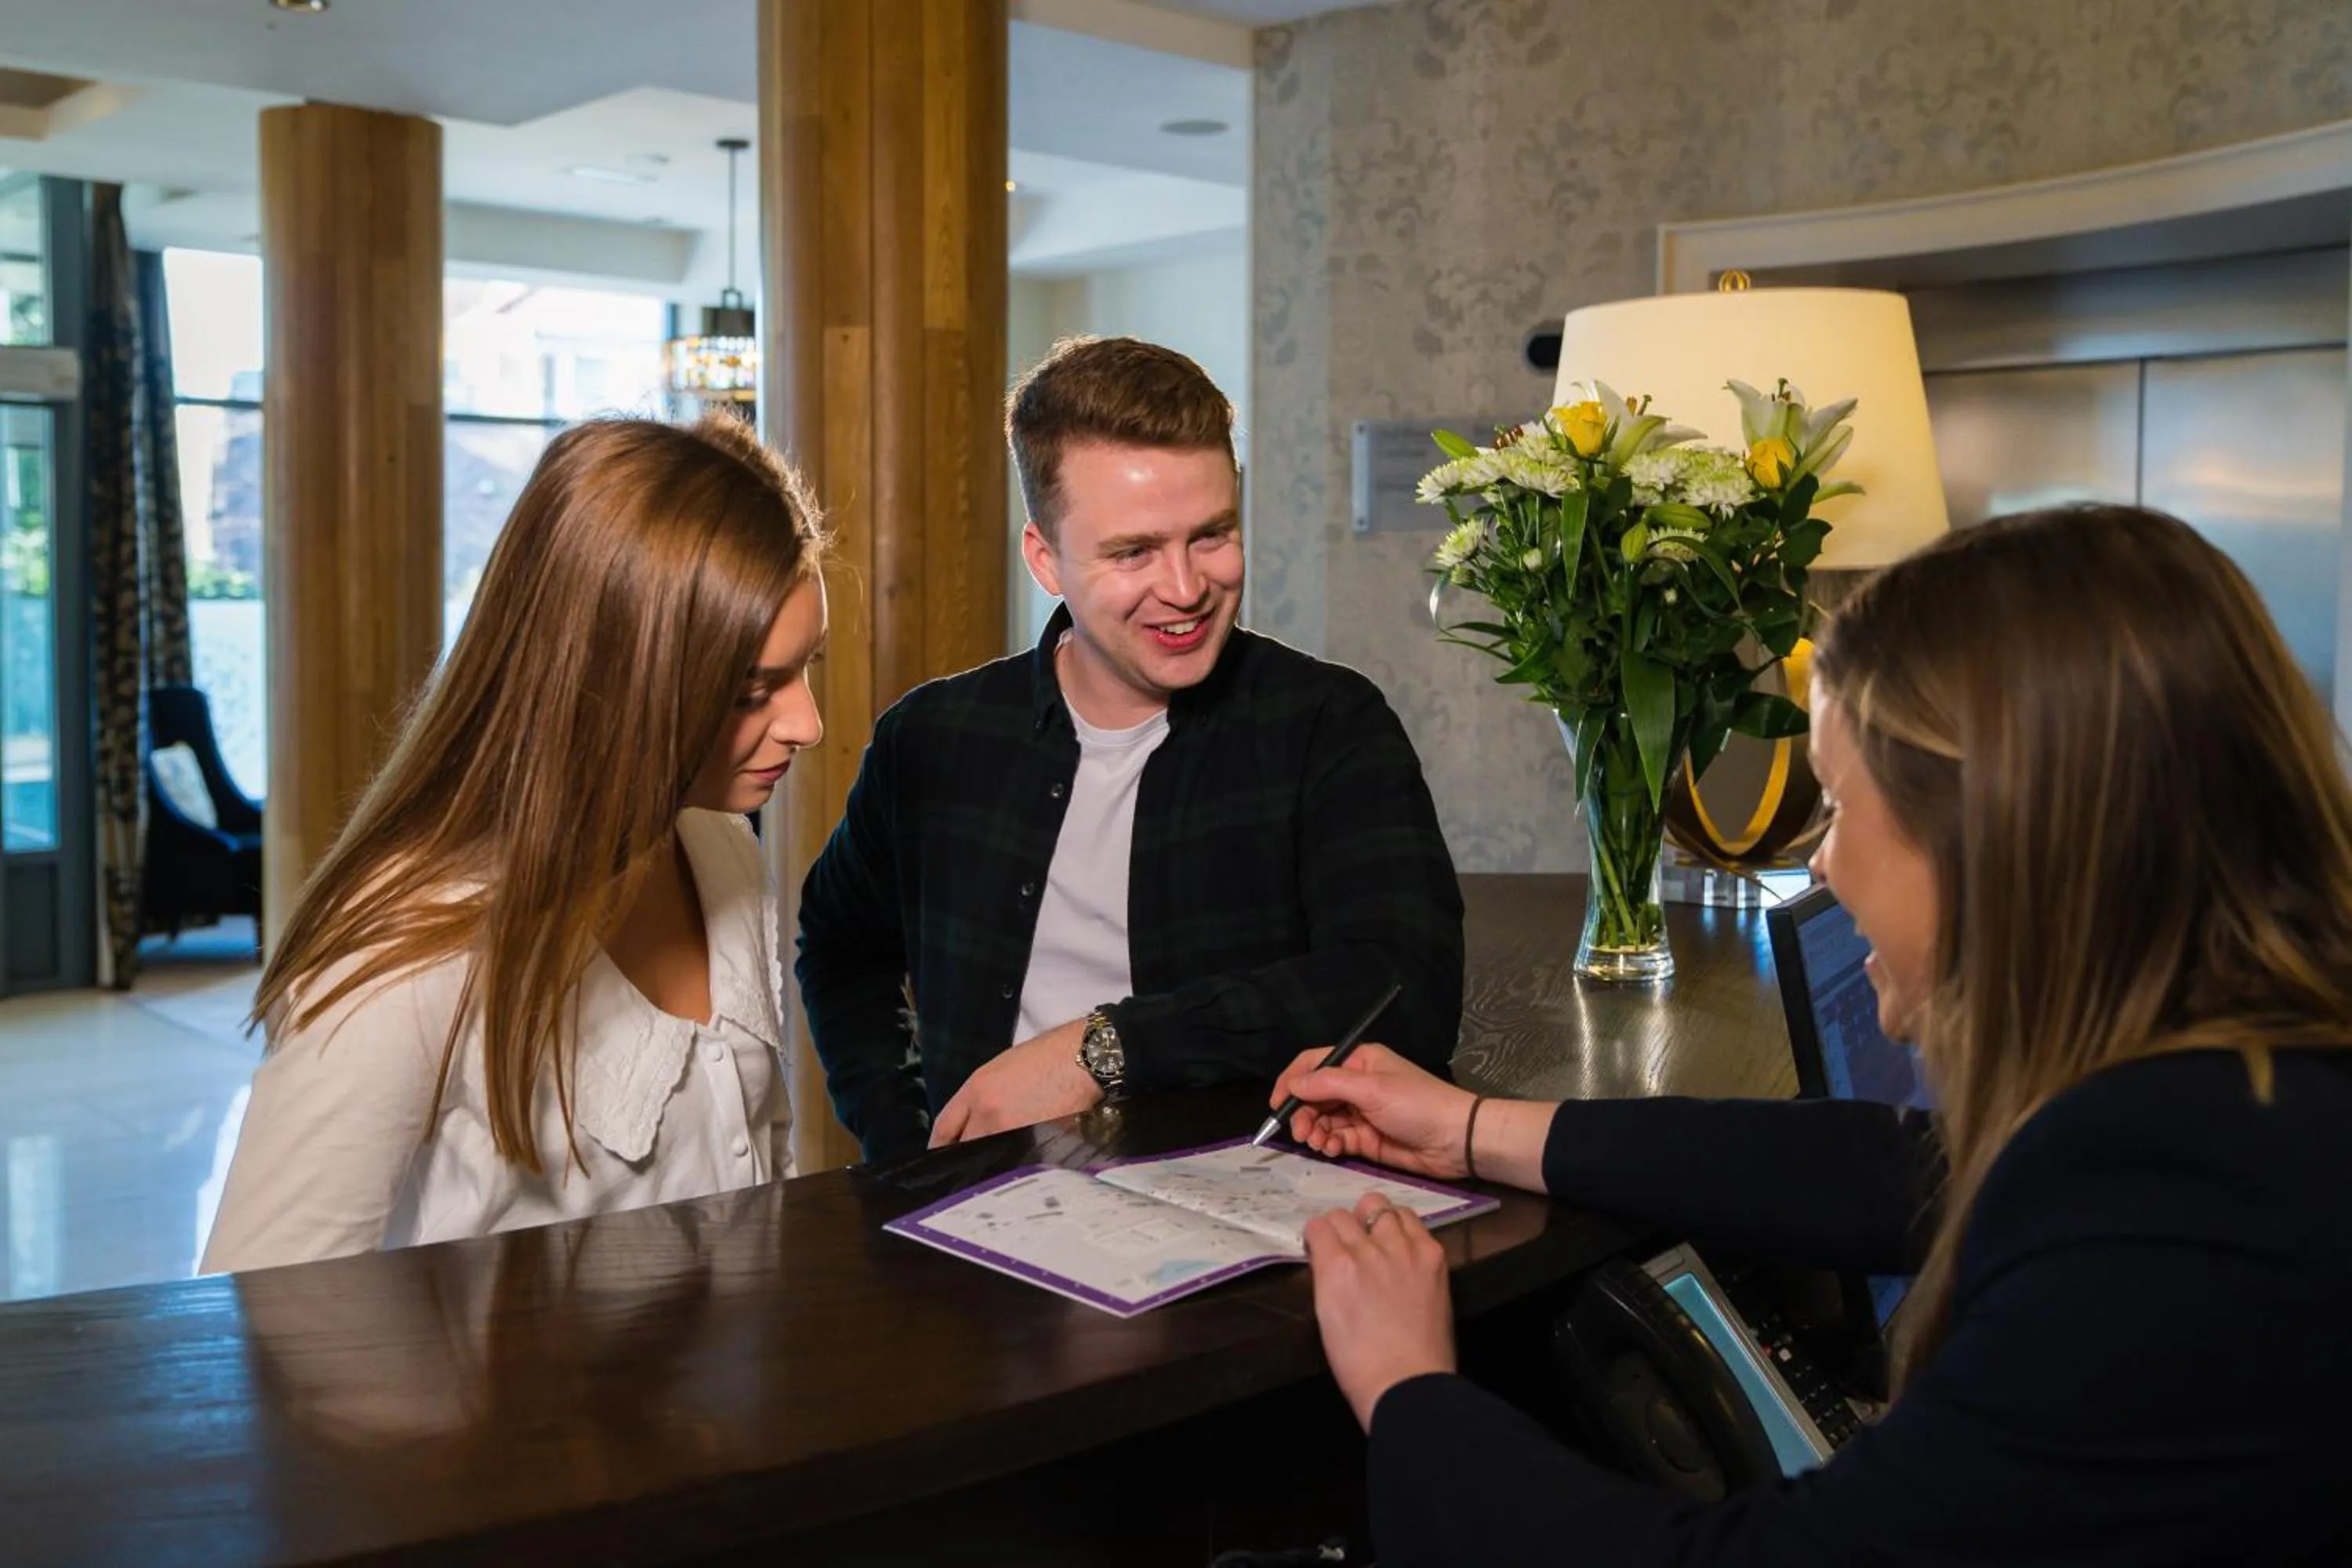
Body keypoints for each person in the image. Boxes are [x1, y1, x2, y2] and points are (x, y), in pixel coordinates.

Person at [1272, 504, 2352, 1565]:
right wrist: (1470, 1130)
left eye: (1839, 804)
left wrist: (1407, 1387)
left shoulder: (2175, 1219)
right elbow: (1898, 1169)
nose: (1825, 863)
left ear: (1988, 841)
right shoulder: (2247, 1091)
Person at [797, 336, 1464, 1163]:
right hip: (978, 1224)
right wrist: (902, 1133)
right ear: (1045, 560)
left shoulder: (1329, 724)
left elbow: (1404, 986)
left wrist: (1103, 1049)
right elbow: (838, 943)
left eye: (1211, 534)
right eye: (1133, 551)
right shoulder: (932, 738)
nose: (1185, 589)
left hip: (1239, 1219)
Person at [202, 414, 828, 1274]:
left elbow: (766, 1159)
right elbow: (264, 1313)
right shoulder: (409, 948)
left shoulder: (723, 849)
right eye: (752, 690)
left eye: (807, 668)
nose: (809, 723)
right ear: (618, 674)